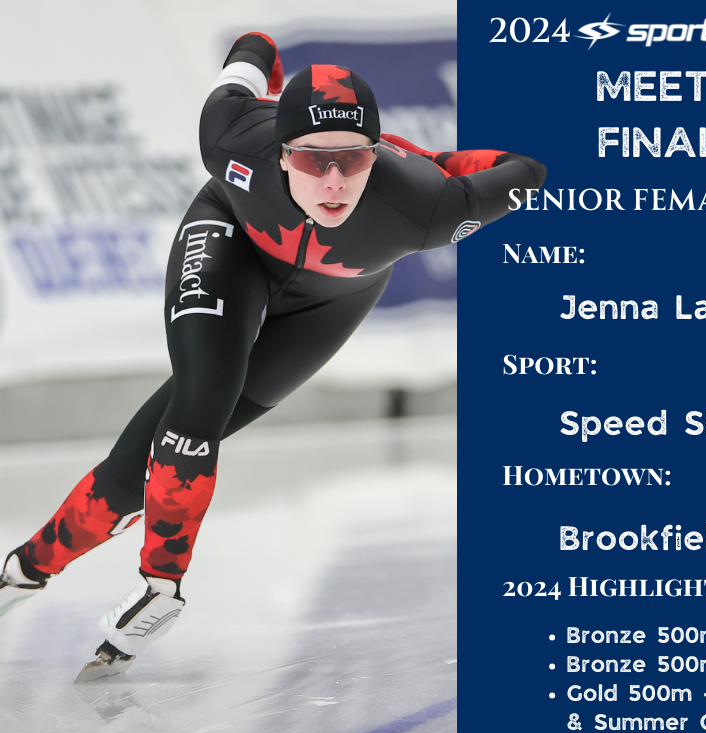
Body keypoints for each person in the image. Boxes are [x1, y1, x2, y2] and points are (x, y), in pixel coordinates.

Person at [0, 33, 545, 679]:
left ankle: (24, 569)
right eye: (313, 161)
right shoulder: (231, 134)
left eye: (354, 159)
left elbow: (525, 168)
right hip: (231, 241)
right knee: (203, 392)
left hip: (330, 303)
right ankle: (158, 587)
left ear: (375, 153)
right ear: (281, 154)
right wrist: (268, 61)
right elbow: (251, 46)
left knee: (149, 454)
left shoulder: (426, 205)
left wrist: (429, 158)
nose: (335, 181)